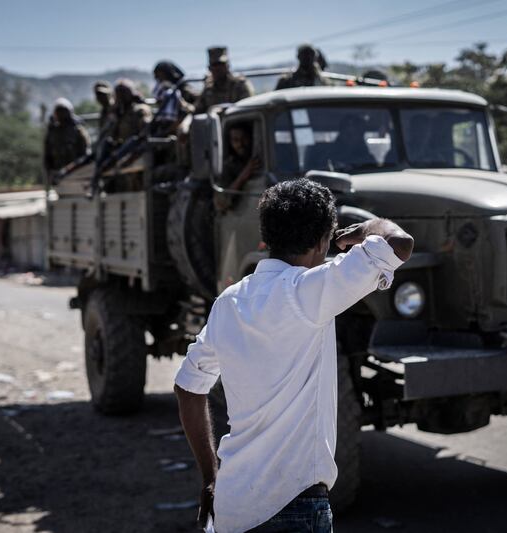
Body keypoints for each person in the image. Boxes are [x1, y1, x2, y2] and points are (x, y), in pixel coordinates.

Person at [174, 178, 414, 532]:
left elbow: (188, 388)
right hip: (293, 507)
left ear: (266, 237)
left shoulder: (228, 302)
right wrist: (366, 228)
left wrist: (211, 478)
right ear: (322, 241)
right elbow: (399, 243)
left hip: (232, 505)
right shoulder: (311, 293)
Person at [214, 122, 261, 213]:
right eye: (235, 140)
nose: (240, 144)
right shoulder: (229, 166)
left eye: (244, 138)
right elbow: (220, 203)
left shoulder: (261, 157)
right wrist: (243, 176)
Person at [195, 46, 254, 114]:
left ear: (228, 66)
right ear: (209, 68)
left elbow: (248, 110)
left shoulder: (240, 85)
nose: (218, 68)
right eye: (215, 65)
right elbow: (198, 111)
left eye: (221, 64)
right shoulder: (208, 89)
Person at [43, 97, 90, 176]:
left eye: (64, 111)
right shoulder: (52, 132)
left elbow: (85, 154)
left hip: (76, 173)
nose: (62, 115)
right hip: (57, 173)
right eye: (59, 111)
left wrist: (73, 168)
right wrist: (49, 170)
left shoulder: (78, 131)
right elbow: (47, 153)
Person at [110, 78, 152, 144]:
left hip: (139, 149)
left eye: (123, 93)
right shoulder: (121, 113)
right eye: (119, 94)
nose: (121, 97)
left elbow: (145, 132)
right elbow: (114, 137)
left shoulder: (140, 110)